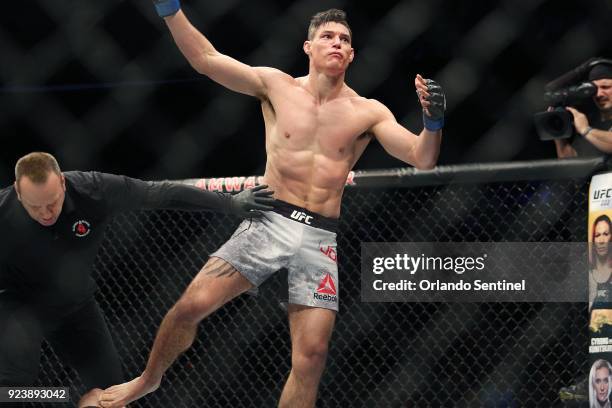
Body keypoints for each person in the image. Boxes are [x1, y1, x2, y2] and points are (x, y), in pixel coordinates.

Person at [99, 5, 444, 408]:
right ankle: (147, 380)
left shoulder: (368, 111)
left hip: (319, 236)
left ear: (351, 56)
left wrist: (433, 121)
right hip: (269, 219)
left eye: (345, 39)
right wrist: (170, 9)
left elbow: (422, 158)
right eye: (328, 36)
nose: (337, 42)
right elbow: (206, 59)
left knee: (311, 357)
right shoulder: (275, 86)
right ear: (308, 46)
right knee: (189, 307)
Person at [0, 152, 274, 408]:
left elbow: (160, 192)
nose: (47, 213)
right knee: (11, 388)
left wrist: (229, 203)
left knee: (112, 393)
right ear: (18, 193)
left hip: (74, 301)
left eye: (53, 202)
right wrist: (69, 397)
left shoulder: (92, 189)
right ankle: (64, 396)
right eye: (36, 207)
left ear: (62, 182)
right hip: (18, 303)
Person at [555, 62, 612, 158]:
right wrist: (558, 134)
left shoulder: (585, 127)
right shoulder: (589, 120)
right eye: (594, 89)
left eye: (605, 87)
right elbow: (569, 161)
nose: (598, 94)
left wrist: (585, 130)